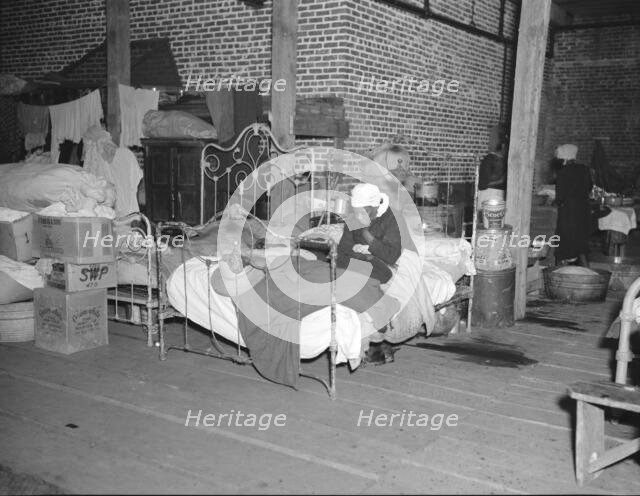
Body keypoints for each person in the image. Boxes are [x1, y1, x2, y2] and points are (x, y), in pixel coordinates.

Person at [336, 183, 403, 284]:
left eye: (363, 211)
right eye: (356, 211)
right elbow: (344, 248)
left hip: (384, 264)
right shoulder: (354, 218)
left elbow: (392, 256)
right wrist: (357, 253)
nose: (358, 216)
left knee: (378, 275)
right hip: (361, 261)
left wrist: (368, 237)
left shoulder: (392, 219)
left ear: (375, 206)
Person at [553, 144, 592, 267]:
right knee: (581, 248)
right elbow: (590, 187)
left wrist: (554, 202)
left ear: (564, 157)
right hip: (583, 211)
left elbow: (560, 197)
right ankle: (589, 275)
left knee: (563, 247)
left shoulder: (563, 173)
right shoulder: (584, 169)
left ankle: (560, 274)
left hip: (568, 214)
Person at [478, 124, 508, 207]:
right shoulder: (489, 159)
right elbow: (482, 185)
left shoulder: (506, 161)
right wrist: (501, 181)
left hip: (500, 200)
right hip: (488, 198)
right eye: (507, 147)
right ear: (503, 146)